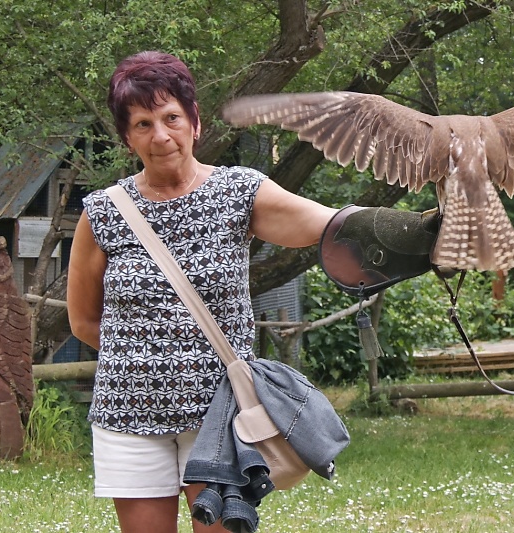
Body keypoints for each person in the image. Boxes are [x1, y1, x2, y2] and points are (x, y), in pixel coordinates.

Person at [67, 51, 336, 533]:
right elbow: (84, 320)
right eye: (143, 124)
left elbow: (325, 224)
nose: (161, 135)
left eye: (171, 118)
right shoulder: (103, 212)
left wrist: (409, 231)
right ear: (128, 138)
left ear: (195, 122)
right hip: (127, 415)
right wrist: (145, 365)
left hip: (220, 415)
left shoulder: (239, 191)